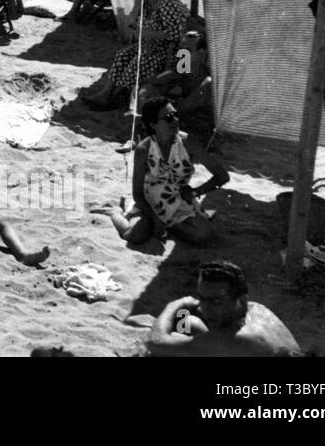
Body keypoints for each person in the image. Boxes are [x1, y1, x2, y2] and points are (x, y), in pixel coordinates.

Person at [92, 96, 228, 245]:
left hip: (180, 201)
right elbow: (137, 193)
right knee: (134, 236)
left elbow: (222, 176)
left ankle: (168, 226)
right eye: (169, 118)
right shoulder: (144, 149)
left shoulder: (188, 142)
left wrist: (196, 192)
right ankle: (114, 213)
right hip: (151, 203)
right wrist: (155, 218)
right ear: (153, 124)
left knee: (205, 236)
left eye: (176, 115)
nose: (175, 120)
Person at [80, 0, 189, 111]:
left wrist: (149, 34)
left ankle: (114, 96)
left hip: (172, 52)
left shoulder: (169, 6)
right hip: (151, 45)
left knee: (140, 60)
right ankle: (105, 93)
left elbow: (177, 36)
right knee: (123, 54)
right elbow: (132, 24)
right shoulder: (145, 1)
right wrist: (136, 8)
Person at [147, 261, 301, 356]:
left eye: (216, 301)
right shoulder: (258, 309)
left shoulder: (236, 339)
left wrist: (175, 305)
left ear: (240, 299)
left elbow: (154, 342)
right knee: (188, 321)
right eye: (202, 298)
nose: (205, 307)